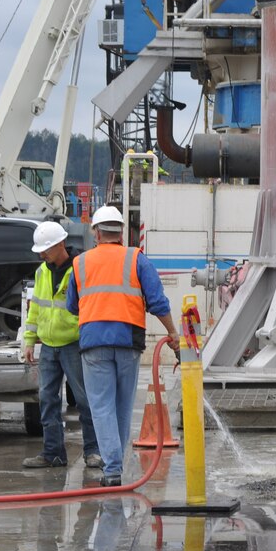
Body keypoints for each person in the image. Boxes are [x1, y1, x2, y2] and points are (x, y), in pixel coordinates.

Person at [66, 205, 180, 487]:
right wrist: (173, 334)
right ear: (120, 233)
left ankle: (113, 469)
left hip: (93, 341)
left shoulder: (80, 263)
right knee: (122, 405)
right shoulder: (136, 259)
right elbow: (157, 302)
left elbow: (71, 306)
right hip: (128, 340)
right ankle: (118, 465)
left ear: (96, 232)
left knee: (101, 406)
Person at [21, 221, 103, 471]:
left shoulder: (80, 270)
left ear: (60, 245)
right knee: (47, 399)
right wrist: (29, 340)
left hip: (74, 344)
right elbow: (35, 308)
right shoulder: (41, 272)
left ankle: (93, 451)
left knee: (84, 400)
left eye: (45, 249)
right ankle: (53, 453)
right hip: (48, 346)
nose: (42, 254)